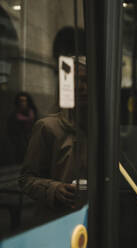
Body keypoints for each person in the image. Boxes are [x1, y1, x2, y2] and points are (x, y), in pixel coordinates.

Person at [18, 61, 88, 219]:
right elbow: (26, 179)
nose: (82, 87)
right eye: (77, 81)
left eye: (87, 81)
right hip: (58, 218)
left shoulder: (103, 130)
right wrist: (54, 189)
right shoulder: (48, 127)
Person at [7, 92, 38, 164]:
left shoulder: (33, 114)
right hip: (20, 145)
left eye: (25, 100)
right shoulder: (13, 117)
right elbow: (11, 132)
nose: (23, 103)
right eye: (21, 101)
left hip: (32, 143)